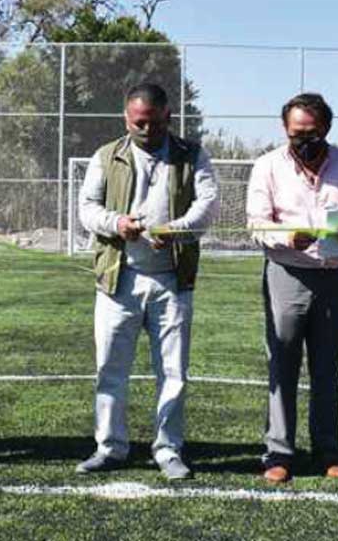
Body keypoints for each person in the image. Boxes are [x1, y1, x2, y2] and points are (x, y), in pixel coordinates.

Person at [75, 82, 218, 481]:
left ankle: (169, 449)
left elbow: (207, 208)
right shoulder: (107, 156)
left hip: (172, 281)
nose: (146, 131)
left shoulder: (193, 155)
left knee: (173, 372)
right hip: (118, 279)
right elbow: (87, 208)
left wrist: (173, 230)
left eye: (154, 124)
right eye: (139, 123)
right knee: (109, 368)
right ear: (126, 118)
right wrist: (117, 223)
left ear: (168, 118)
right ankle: (110, 447)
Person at [246, 92, 338, 484]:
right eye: (296, 133)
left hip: (333, 277)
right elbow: (256, 222)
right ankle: (279, 453)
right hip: (286, 273)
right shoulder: (267, 166)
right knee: (282, 364)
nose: (304, 141)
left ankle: (328, 451)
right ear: (286, 130)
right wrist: (287, 237)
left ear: (327, 129)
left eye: (312, 133)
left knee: (327, 368)